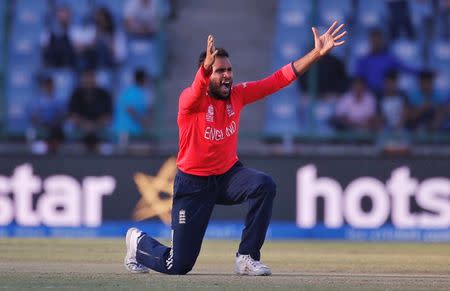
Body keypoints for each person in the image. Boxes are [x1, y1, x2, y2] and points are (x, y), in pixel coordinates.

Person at [123, 21, 347, 275]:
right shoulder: (191, 102)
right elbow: (195, 90)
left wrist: (316, 54)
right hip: (193, 185)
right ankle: (137, 243)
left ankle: (247, 257)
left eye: (229, 70)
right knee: (178, 265)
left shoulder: (237, 96)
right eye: (220, 71)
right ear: (206, 73)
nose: (227, 75)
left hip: (228, 175)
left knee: (263, 184)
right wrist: (206, 69)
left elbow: (277, 80)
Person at [355, 28, 414, 97]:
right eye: (374, 40)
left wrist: (421, 72)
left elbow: (405, 68)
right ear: (370, 41)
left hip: (385, 94)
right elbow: (359, 79)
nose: (376, 43)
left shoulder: (389, 58)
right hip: (368, 94)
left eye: (378, 40)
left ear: (382, 41)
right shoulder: (363, 60)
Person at [67, 70, 113, 151]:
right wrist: (85, 124)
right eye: (86, 78)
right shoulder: (76, 94)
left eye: (91, 78)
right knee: (69, 128)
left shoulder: (104, 94)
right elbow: (73, 115)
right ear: (83, 80)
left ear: (95, 79)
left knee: (110, 131)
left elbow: (108, 116)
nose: (89, 81)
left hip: (99, 127)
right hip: (80, 127)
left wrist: (94, 125)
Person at [29, 76, 66, 152]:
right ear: (43, 87)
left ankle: (54, 147)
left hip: (55, 129)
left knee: (56, 131)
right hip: (41, 128)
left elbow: (62, 116)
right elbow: (34, 117)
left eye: (51, 86)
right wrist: (42, 122)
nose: (49, 88)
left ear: (54, 87)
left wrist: (52, 123)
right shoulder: (36, 101)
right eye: (47, 86)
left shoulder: (59, 101)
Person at [114, 69, 153, 138]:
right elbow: (129, 109)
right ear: (143, 79)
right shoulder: (130, 92)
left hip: (134, 131)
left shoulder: (140, 92)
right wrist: (142, 120)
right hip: (125, 131)